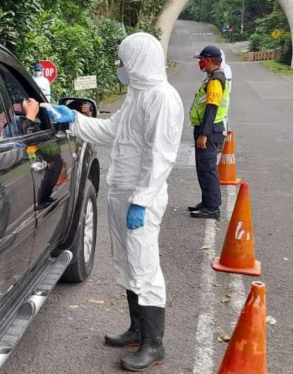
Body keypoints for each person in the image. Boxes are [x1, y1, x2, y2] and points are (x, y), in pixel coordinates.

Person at [47, 32, 184, 371]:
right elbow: (110, 131)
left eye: (123, 60)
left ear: (138, 60)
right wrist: (73, 119)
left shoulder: (162, 98)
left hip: (141, 199)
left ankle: (154, 343)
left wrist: (142, 200)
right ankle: (137, 329)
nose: (119, 66)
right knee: (126, 261)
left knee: (145, 265)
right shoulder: (138, 96)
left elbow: (161, 157)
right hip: (122, 192)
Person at [188, 45, 230, 219]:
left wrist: (204, 134)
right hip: (208, 129)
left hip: (210, 131)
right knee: (203, 168)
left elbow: (212, 107)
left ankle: (212, 207)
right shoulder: (212, 77)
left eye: (202, 59)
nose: (200, 62)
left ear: (209, 59)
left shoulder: (215, 80)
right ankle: (207, 202)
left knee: (207, 169)